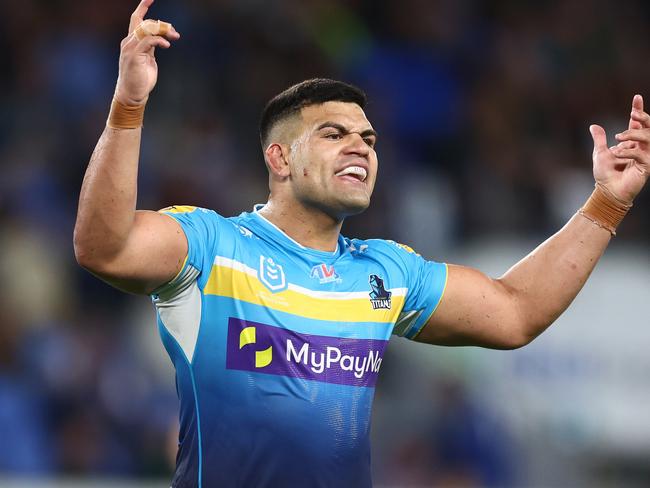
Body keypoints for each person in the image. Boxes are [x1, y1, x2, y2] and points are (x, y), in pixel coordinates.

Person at [73, 1, 649, 486]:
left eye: (369, 139)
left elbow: (516, 312)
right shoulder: (211, 244)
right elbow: (104, 248)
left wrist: (606, 203)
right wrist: (128, 106)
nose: (361, 148)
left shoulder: (385, 272)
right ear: (279, 158)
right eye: (334, 134)